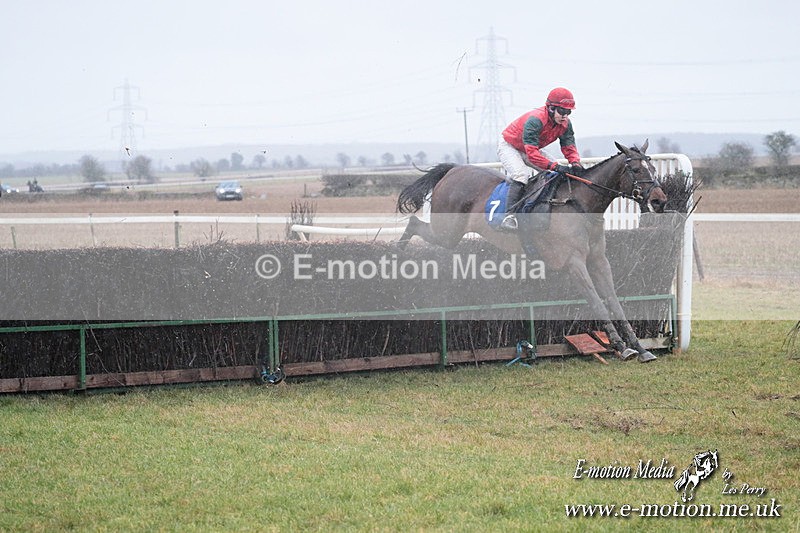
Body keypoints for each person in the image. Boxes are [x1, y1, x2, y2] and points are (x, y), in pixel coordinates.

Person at [496, 87, 585, 231]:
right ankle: (509, 215)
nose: (565, 116)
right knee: (521, 174)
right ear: (551, 108)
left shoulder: (565, 124)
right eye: (562, 111)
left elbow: (568, 145)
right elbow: (532, 155)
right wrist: (554, 166)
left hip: (529, 147)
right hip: (510, 146)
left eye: (568, 112)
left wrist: (575, 162)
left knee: (557, 174)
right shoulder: (536, 120)